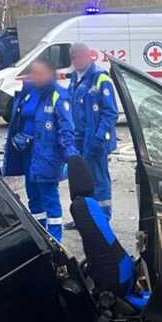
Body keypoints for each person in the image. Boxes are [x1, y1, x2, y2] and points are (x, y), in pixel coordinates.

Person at [3, 57, 77, 241]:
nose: (33, 76)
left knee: (49, 198)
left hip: (47, 156)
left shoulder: (58, 95)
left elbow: (66, 128)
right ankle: (38, 235)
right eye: (32, 72)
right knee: (34, 198)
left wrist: (72, 156)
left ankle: (55, 239)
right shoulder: (29, 93)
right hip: (28, 155)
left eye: (38, 72)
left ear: (49, 74)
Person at [68, 43, 117, 221]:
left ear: (89, 56)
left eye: (80, 56)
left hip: (95, 140)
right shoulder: (74, 78)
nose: (77, 60)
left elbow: (110, 113)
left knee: (99, 180)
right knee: (81, 181)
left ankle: (102, 219)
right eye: (74, 58)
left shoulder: (100, 78)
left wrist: (99, 138)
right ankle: (85, 217)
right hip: (78, 140)